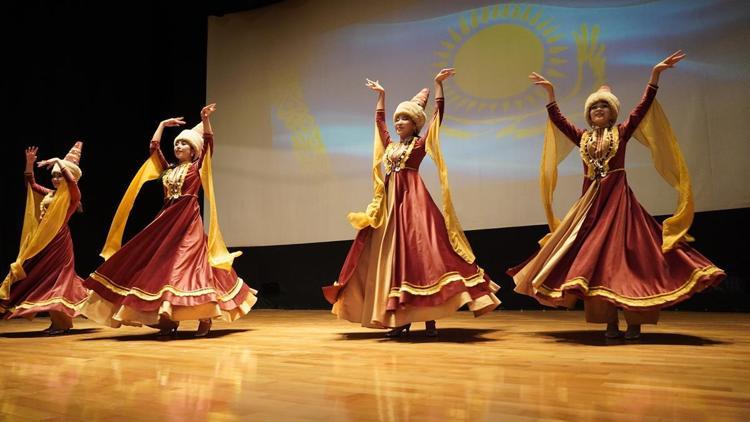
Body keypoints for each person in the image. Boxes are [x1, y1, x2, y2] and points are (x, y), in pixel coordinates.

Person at [510, 51, 725, 339]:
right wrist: (550, 94)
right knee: (595, 265)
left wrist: (654, 77)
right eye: (594, 106)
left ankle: (634, 323)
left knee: (630, 262)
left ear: (613, 112)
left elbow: (642, 108)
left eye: (604, 106)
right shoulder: (583, 137)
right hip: (591, 207)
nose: (599, 109)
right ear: (588, 114)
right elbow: (559, 121)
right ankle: (610, 323)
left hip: (619, 203)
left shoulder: (622, 132)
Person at [323, 68, 500, 337]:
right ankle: (400, 319)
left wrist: (438, 86)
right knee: (392, 259)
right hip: (392, 205)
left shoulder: (417, 146)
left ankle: (430, 320)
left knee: (422, 256)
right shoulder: (392, 145)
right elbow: (380, 123)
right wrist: (381, 96)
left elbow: (438, 117)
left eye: (405, 118)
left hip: (414, 202)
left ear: (415, 124)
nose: (399, 123)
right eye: (398, 118)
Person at [80, 104, 257, 337]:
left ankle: (205, 317)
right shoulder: (167, 170)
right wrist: (162, 125)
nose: (178, 146)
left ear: (194, 150)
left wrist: (205, 120)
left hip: (187, 222)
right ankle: (165, 317)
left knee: (190, 266)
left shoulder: (197, 168)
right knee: (160, 267)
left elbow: (210, 144)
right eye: (176, 143)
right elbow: (154, 148)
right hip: (166, 223)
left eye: (183, 143)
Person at [1, 142, 88, 335]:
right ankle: (61, 323)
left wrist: (58, 161)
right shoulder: (51, 194)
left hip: (59, 241)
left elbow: (72, 182)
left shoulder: (73, 196)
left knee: (57, 279)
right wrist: (29, 164)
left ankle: (61, 324)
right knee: (44, 277)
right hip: (43, 240)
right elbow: (31, 185)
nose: (56, 179)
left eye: (60, 175)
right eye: (54, 175)